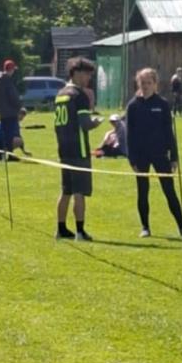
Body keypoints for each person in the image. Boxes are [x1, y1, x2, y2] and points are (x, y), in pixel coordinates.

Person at [125, 68, 182, 240]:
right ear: (138, 84)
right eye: (143, 83)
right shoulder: (132, 106)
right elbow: (129, 135)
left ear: (155, 84)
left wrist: (174, 157)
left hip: (160, 154)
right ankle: (145, 227)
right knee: (143, 191)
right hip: (141, 156)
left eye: (149, 83)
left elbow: (169, 132)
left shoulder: (162, 104)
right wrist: (131, 158)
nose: (146, 86)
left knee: (169, 190)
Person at [53, 56, 103, 241]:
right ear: (76, 73)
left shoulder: (60, 94)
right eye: (87, 74)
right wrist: (96, 122)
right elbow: (85, 124)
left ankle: (61, 229)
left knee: (66, 190)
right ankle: (80, 231)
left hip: (63, 148)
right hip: (79, 149)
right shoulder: (79, 95)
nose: (89, 78)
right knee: (79, 192)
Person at [0, 59, 21, 161]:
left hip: (2, 111)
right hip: (11, 112)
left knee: (3, 133)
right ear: (11, 69)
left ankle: (0, 154)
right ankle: (10, 155)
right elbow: (12, 96)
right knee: (11, 134)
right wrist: (19, 106)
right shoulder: (7, 80)